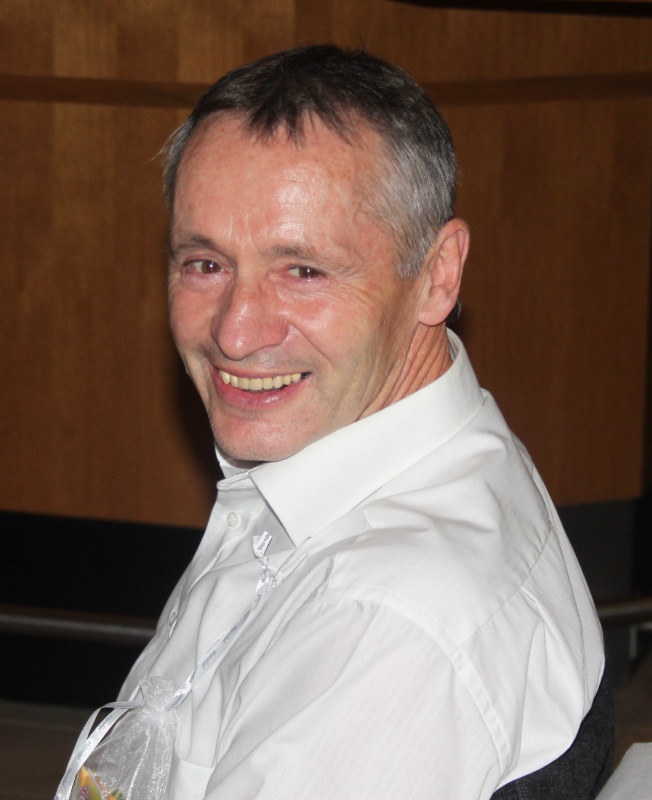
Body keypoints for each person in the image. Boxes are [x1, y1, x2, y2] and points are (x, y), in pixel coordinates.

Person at [119, 45, 607, 798]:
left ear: (437, 274)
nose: (235, 333)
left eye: (304, 270)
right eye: (205, 264)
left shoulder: (381, 625)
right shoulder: (384, 458)